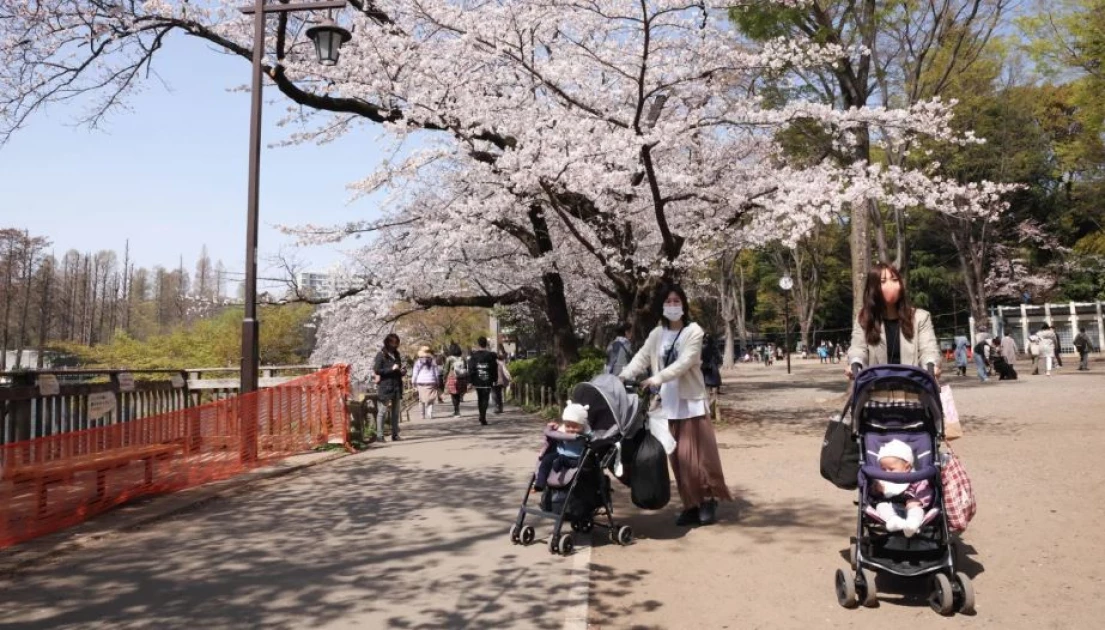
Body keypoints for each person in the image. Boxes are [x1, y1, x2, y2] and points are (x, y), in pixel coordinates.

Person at [619, 283, 732, 527]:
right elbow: (641, 356)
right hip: (666, 404)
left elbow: (686, 362)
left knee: (696, 456)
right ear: (662, 306)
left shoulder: (694, 331)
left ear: (684, 304)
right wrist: (624, 375)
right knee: (676, 458)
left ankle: (707, 500)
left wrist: (657, 378)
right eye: (668, 302)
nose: (673, 306)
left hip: (690, 402)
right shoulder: (657, 334)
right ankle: (690, 503)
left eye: (676, 301)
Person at [845, 262, 941, 379]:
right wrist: (855, 364)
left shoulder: (921, 317)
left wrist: (930, 365)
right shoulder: (864, 319)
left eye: (895, 280)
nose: (891, 285)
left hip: (913, 390)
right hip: (876, 392)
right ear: (873, 288)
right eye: (883, 281)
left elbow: (928, 349)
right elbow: (858, 349)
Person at [871, 440, 933, 539]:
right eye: (883, 469)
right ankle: (893, 521)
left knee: (917, 510)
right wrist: (877, 489)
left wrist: (919, 501)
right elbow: (873, 495)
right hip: (891, 506)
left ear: (907, 467)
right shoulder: (882, 480)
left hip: (910, 506)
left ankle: (912, 524)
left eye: (891, 469)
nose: (887, 473)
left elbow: (925, 491)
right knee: (881, 506)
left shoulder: (915, 478)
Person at [534, 401, 591, 490]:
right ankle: (540, 482)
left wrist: (587, 437)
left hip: (575, 458)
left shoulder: (586, 433)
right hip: (560, 453)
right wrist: (554, 428)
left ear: (582, 425)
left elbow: (592, 436)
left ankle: (558, 464)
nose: (571, 429)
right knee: (546, 459)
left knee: (563, 459)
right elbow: (555, 434)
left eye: (575, 427)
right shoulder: (562, 430)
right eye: (568, 426)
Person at [372, 333, 406, 442]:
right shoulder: (381, 354)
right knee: (382, 411)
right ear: (387, 342)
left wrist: (402, 371)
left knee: (396, 412)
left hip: (396, 386)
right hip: (386, 387)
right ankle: (380, 435)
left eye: (396, 342)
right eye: (392, 342)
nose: (394, 345)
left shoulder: (397, 354)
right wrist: (391, 369)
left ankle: (395, 434)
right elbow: (377, 370)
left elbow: (398, 369)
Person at [468, 337, 499, 425]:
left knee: (480, 398)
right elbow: (494, 368)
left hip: (477, 381)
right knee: (485, 399)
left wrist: (470, 381)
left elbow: (471, 369)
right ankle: (483, 416)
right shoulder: (490, 355)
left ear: (478, 344)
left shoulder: (474, 356)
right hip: (487, 380)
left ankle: (481, 415)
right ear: (486, 344)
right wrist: (495, 379)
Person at [411, 346, 441, 420]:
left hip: (421, 382)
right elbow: (436, 373)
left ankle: (422, 415)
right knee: (431, 398)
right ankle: (429, 413)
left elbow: (415, 373)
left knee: (421, 399)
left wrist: (413, 381)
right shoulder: (433, 361)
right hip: (431, 381)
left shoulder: (418, 362)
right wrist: (437, 381)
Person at [444, 343, 468, 416]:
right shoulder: (463, 358)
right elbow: (466, 368)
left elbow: (446, 370)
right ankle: (457, 410)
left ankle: (456, 411)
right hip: (461, 378)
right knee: (458, 394)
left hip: (452, 378)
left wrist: (444, 378)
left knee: (454, 395)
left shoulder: (449, 359)